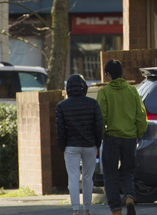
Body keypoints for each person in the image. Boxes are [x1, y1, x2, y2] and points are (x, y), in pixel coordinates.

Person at [98, 60, 147, 215]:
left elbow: (101, 118)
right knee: (127, 172)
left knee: (111, 174)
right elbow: (141, 115)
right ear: (121, 73)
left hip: (112, 137)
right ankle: (130, 197)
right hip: (130, 138)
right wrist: (138, 132)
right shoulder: (132, 91)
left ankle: (116, 209)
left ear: (108, 74)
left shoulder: (104, 92)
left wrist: (102, 135)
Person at [56, 74, 103, 215]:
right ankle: (87, 209)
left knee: (73, 177)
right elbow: (98, 125)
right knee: (88, 177)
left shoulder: (61, 106)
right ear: (84, 87)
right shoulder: (92, 103)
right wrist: (97, 143)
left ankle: (76, 209)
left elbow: (60, 129)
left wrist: (62, 146)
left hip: (71, 146)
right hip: (89, 145)